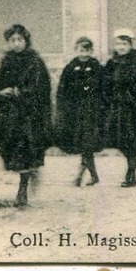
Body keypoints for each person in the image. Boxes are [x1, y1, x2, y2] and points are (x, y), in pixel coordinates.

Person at [0, 23, 52, 208]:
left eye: (20, 39)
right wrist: (1, 91)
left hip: (30, 114)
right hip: (10, 112)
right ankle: (29, 175)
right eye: (13, 40)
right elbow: (0, 82)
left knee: (26, 148)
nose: (17, 43)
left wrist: (20, 92)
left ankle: (22, 189)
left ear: (26, 40)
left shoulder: (34, 60)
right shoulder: (6, 60)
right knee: (10, 148)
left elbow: (41, 86)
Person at [101, 30, 136, 188]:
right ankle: (132, 162)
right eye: (118, 44)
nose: (121, 47)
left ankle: (131, 172)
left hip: (131, 108)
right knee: (118, 140)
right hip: (115, 107)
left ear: (130, 45)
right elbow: (105, 84)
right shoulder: (111, 63)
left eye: (124, 44)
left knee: (128, 139)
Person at [56, 36, 104, 187]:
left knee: (87, 143)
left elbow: (102, 88)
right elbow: (62, 90)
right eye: (81, 50)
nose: (84, 53)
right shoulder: (70, 67)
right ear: (76, 51)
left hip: (92, 111)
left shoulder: (96, 66)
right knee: (84, 144)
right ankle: (93, 175)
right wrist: (63, 108)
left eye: (87, 50)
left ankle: (79, 175)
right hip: (75, 112)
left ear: (91, 51)